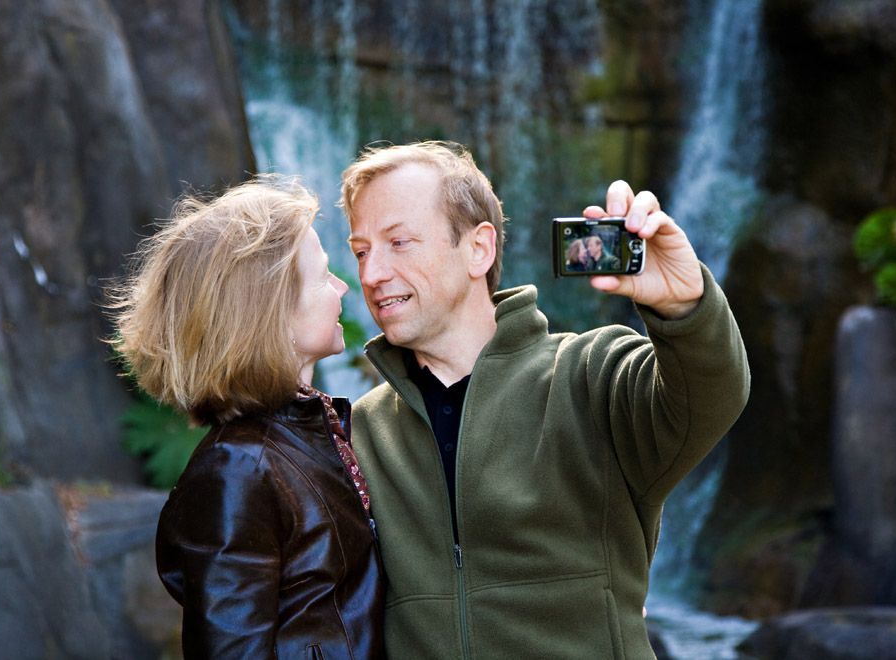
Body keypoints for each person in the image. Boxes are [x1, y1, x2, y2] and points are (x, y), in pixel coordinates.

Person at [339, 141, 749, 659]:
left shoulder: (591, 376)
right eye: (360, 250)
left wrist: (685, 306)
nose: (372, 274)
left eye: (399, 242)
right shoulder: (358, 434)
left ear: (478, 249)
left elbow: (712, 397)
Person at [108, 176, 384, 658]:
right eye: (322, 275)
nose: (342, 285)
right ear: (269, 308)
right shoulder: (238, 468)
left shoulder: (309, 432)